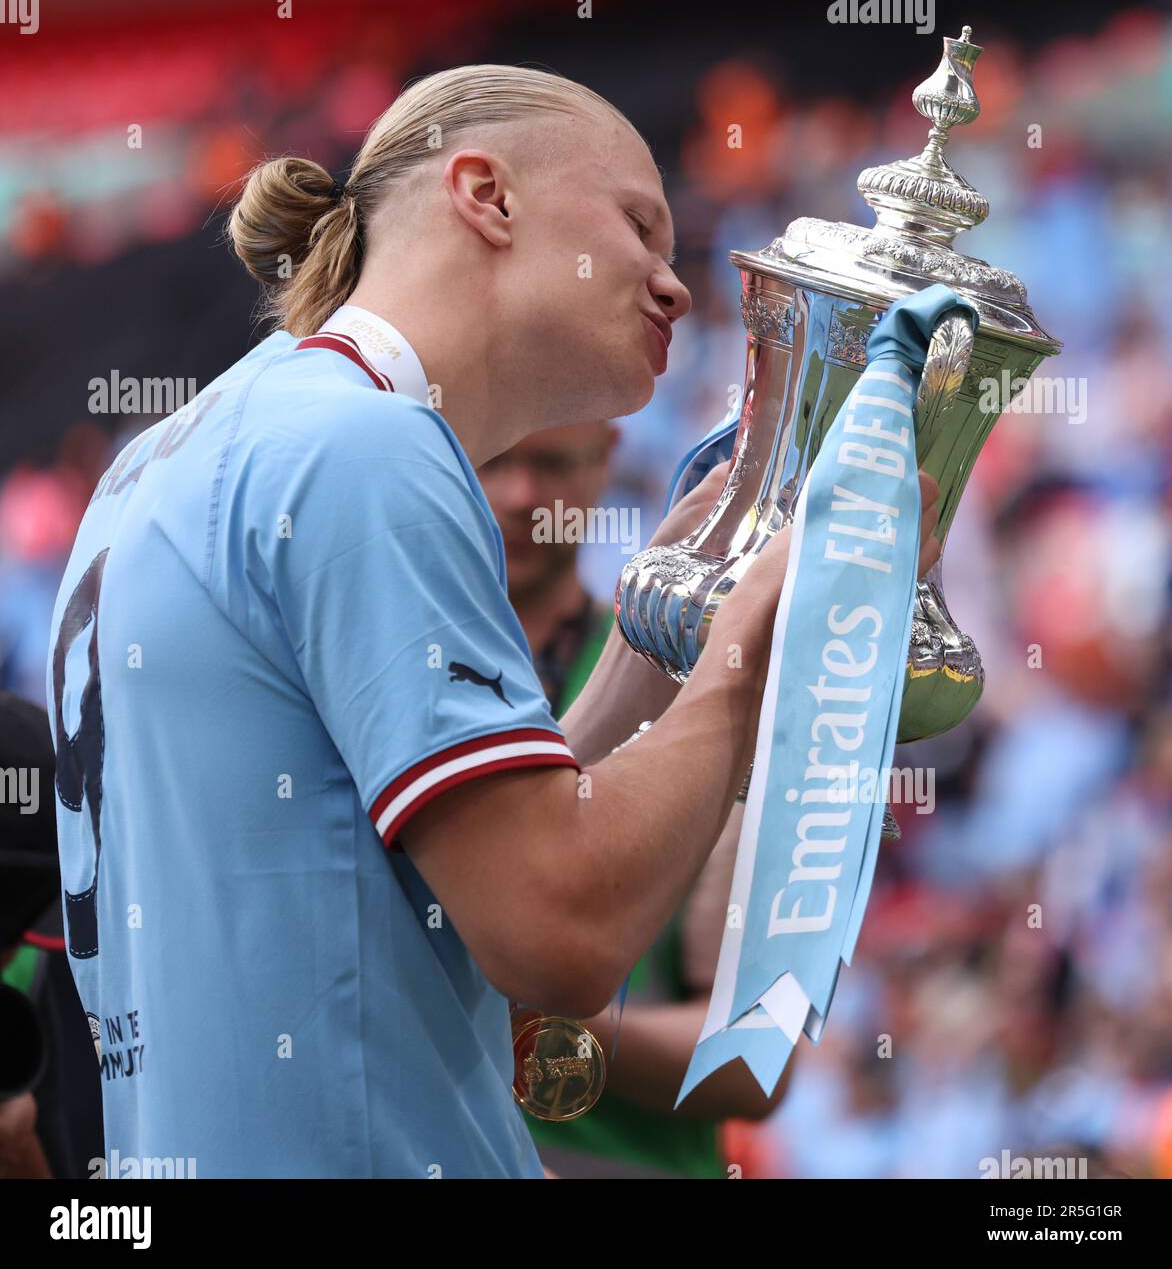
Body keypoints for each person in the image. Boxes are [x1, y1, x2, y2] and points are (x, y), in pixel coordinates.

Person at [47, 64, 942, 1178]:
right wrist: (757, 640)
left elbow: (417, 871)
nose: (674, 285)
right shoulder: (364, 448)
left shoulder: (184, 450)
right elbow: (551, 930)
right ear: (487, 194)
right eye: (637, 225)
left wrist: (648, 641)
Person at [479, 420, 791, 1178]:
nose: (523, 497)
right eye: (493, 461)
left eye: (552, 462)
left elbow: (757, 1060)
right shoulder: (393, 673)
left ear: (606, 457)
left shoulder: (704, 703)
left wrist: (531, 1011)